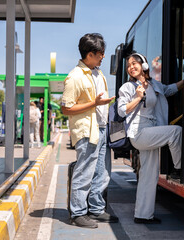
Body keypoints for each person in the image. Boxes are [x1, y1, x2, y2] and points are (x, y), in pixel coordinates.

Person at [117, 53, 184, 224]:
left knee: (149, 175)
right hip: (139, 133)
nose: (131, 67)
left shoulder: (153, 84)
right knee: (175, 131)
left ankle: (143, 215)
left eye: (134, 63)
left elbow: (169, 90)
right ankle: (180, 169)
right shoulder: (128, 87)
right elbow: (122, 110)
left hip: (151, 131)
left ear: (144, 65)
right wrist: (138, 97)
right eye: (129, 65)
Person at [61, 33, 117, 228]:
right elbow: (65, 108)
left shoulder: (98, 73)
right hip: (86, 131)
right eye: (101, 53)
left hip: (101, 129)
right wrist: (95, 103)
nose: (103, 57)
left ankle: (96, 209)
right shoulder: (74, 77)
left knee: (100, 173)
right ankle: (78, 213)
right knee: (84, 172)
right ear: (90, 54)